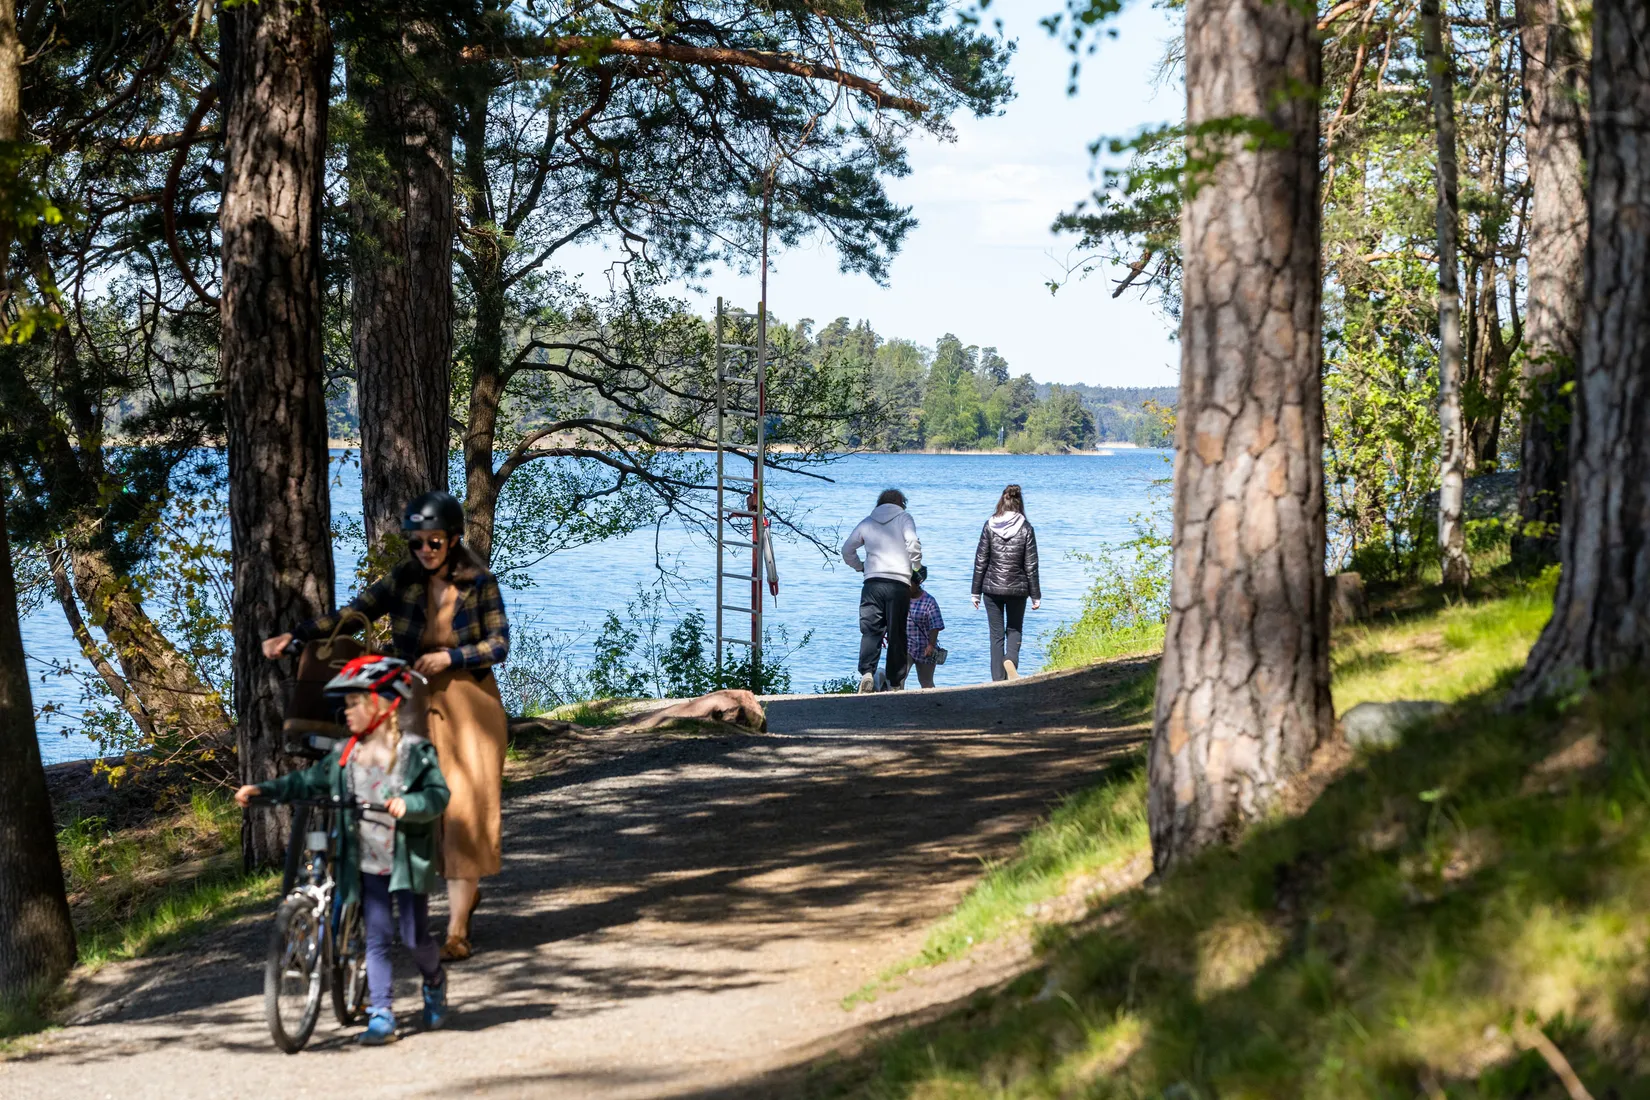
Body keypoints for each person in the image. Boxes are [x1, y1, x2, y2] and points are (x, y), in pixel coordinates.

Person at [262, 491, 510, 962]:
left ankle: (457, 929)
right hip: (408, 698)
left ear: (453, 538)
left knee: (464, 811)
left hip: (469, 703)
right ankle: (360, 910)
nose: (424, 550)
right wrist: (296, 636)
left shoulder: (480, 581)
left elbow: (498, 644)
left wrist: (450, 655)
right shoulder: (402, 578)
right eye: (416, 542)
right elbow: (351, 614)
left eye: (433, 541)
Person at [235, 655, 451, 1045]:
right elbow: (308, 781)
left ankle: (434, 979)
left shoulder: (415, 753)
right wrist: (265, 791)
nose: (346, 711)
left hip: (404, 863)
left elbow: (438, 795)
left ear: (386, 704)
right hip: (365, 863)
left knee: (415, 936)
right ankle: (382, 1013)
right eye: (346, 704)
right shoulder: (346, 754)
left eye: (355, 702)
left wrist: (412, 805)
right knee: (377, 938)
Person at [841, 488, 923, 693]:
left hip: (872, 583)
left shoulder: (867, 521)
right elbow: (912, 542)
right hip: (898, 584)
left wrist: (861, 567)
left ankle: (867, 674)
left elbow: (846, 550)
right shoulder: (904, 518)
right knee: (897, 633)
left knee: (870, 631)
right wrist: (917, 566)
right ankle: (895, 682)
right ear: (901, 503)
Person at [971, 484, 1042, 681]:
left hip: (991, 588)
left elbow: (980, 561)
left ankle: (997, 680)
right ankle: (1010, 660)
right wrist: (1036, 595)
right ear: (1019, 503)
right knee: (1014, 629)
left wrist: (975, 592)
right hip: (1018, 589)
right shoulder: (1026, 528)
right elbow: (1031, 565)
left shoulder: (989, 525)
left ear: (1002, 502)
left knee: (995, 635)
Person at [904, 566, 945, 689]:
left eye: (909, 583)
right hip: (906, 645)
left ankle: (932, 704)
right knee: (900, 677)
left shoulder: (929, 601)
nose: (906, 587)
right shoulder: (901, 598)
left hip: (925, 648)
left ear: (918, 583)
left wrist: (931, 645)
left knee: (926, 682)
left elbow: (935, 626)